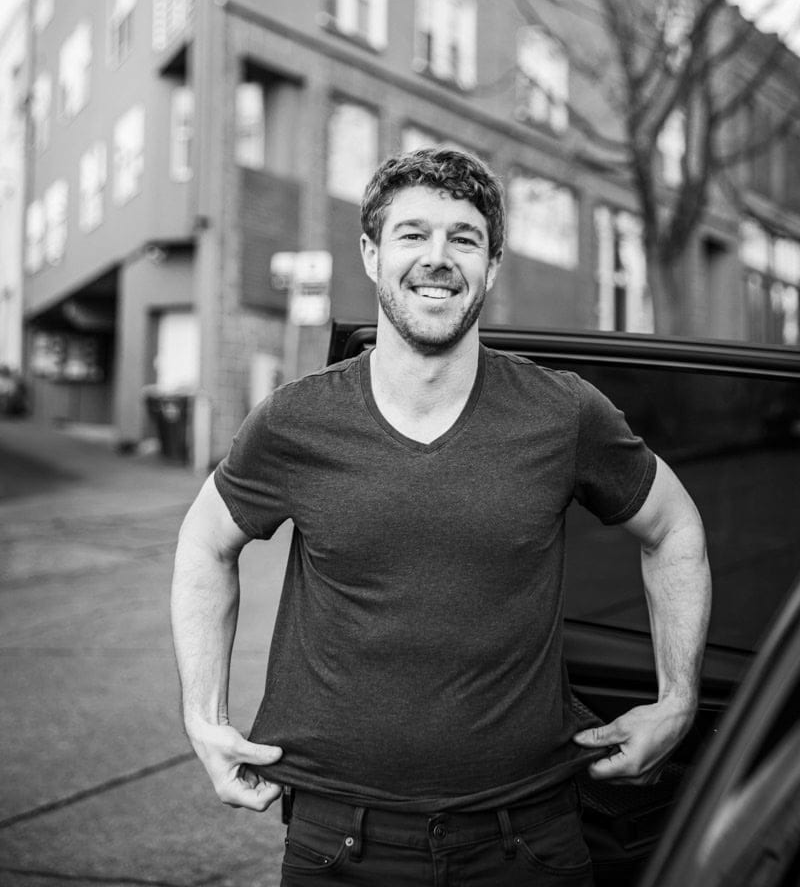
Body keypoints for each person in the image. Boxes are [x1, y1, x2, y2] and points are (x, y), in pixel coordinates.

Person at [171, 147, 711, 886]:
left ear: (491, 265)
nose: (438, 257)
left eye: (463, 238)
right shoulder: (297, 421)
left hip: (530, 840)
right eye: (412, 234)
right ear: (370, 253)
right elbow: (205, 542)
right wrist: (204, 718)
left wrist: (678, 702)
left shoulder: (565, 415)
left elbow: (674, 527)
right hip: (339, 842)